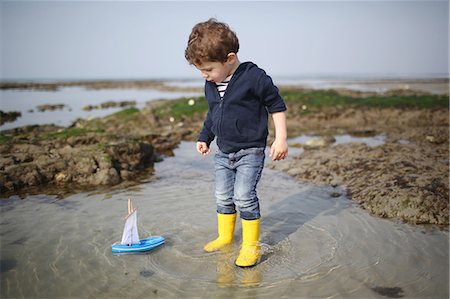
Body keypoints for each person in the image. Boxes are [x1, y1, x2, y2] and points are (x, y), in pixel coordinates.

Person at [185, 18, 288, 267]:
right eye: (200, 70)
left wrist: (281, 138)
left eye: (208, 69)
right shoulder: (211, 84)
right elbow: (213, 113)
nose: (204, 75)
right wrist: (204, 136)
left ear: (229, 58)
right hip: (223, 151)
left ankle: (251, 246)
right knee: (222, 197)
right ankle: (225, 237)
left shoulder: (254, 77)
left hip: (250, 150)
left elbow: (276, 105)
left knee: (243, 197)